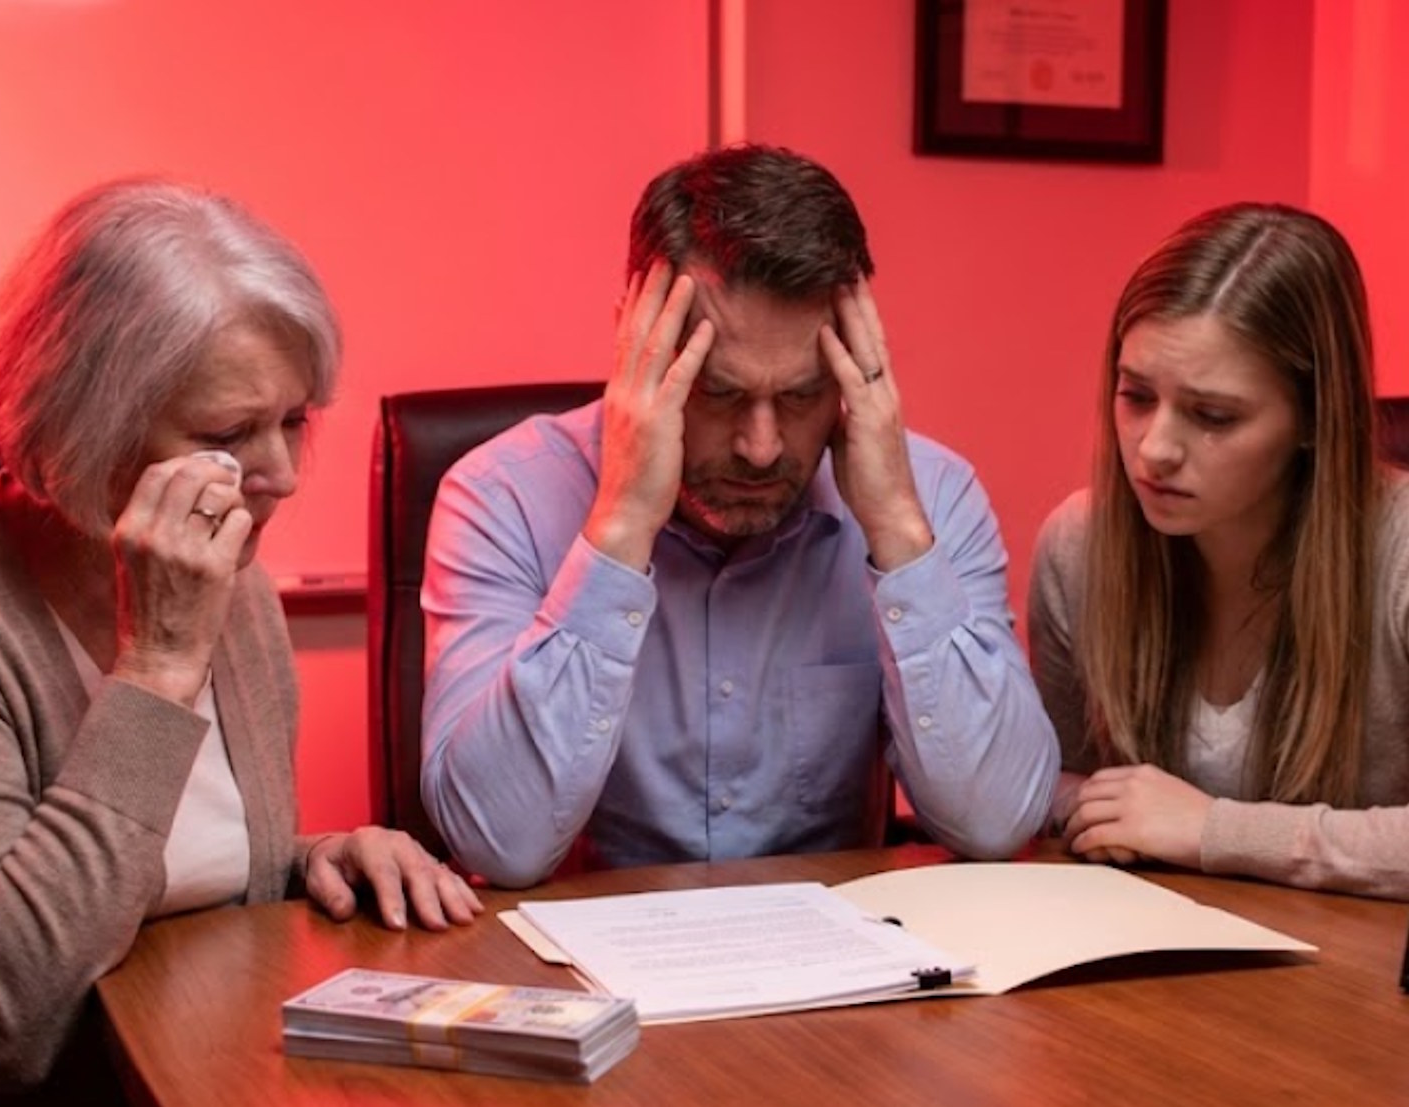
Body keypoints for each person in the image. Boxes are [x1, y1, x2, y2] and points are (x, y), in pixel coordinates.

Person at [0, 179, 482, 1104]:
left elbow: (171, 877)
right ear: (79, 437)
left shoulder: (232, 586)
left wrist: (313, 858)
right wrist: (155, 666)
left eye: (293, 421)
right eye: (230, 433)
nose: (279, 474)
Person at [419, 144, 1059, 888]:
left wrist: (897, 536)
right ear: (636, 347)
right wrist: (622, 525)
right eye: (718, 395)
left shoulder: (935, 497)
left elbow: (999, 818)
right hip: (582, 974)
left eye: (800, 396)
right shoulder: (502, 497)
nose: (762, 448)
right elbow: (499, 843)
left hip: (841, 978)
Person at [1029, 201, 1409, 898]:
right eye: (1135, 395)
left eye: (1213, 416)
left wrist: (1214, 830)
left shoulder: (1401, 555)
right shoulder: (1078, 547)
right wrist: (1078, 805)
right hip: (1171, 969)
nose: (1155, 449)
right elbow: (1060, 780)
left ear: (1315, 420)